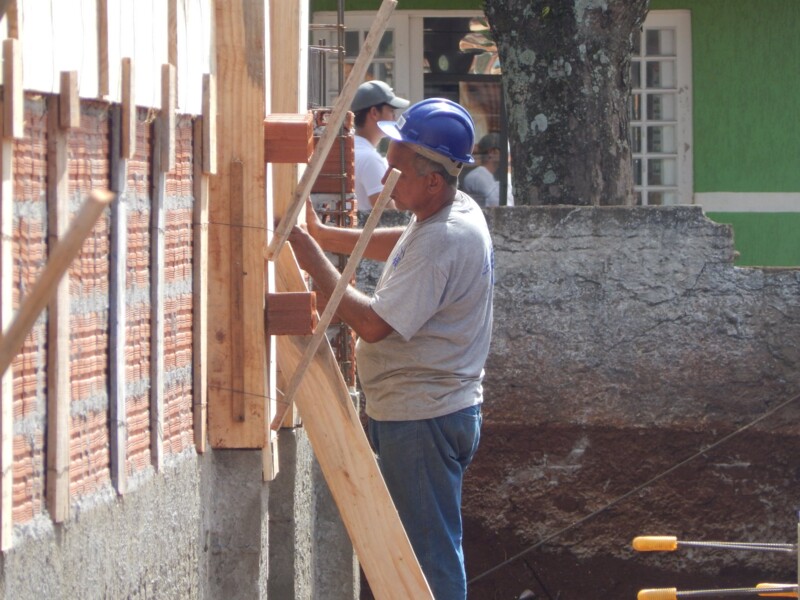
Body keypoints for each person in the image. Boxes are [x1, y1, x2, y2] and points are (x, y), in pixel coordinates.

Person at [287, 98, 494, 600]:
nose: (383, 182)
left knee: (427, 562)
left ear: (433, 180)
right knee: (422, 550)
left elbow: (374, 325)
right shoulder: (446, 211)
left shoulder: (446, 236)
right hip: (422, 411)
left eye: (396, 171)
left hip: (423, 416)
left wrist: (316, 262)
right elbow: (402, 242)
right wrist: (327, 235)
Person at [351, 80, 409, 213]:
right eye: (391, 110)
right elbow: (388, 212)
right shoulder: (369, 158)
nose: (395, 117)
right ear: (374, 113)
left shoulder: (351, 149)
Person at [460, 132, 501, 208]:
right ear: (492, 152)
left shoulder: (488, 174)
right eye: (503, 151)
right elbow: (496, 203)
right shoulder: (478, 176)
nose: (507, 155)